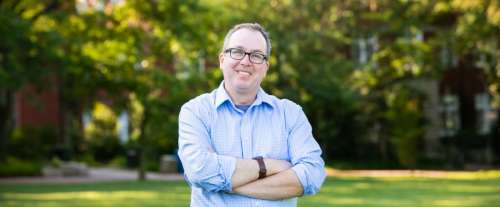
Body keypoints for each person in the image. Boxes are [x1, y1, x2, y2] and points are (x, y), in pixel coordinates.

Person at [178, 23, 326, 207]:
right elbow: (199, 171)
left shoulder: (291, 114)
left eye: (256, 55)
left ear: (265, 67)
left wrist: (224, 183)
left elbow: (312, 176)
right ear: (222, 60)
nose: (246, 61)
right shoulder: (196, 111)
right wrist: (267, 166)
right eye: (237, 52)